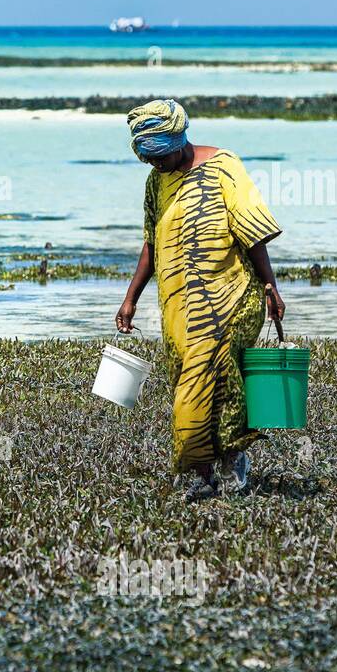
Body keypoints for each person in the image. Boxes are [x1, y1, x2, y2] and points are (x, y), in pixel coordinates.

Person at [115, 99, 286, 501]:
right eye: (149, 159)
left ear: (180, 139)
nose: (157, 165)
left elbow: (253, 234)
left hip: (232, 295)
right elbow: (151, 243)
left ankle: (228, 464)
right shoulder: (157, 183)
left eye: (162, 155)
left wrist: (271, 286)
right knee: (188, 382)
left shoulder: (225, 166)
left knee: (217, 381)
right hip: (178, 306)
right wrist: (130, 299)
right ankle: (209, 472)